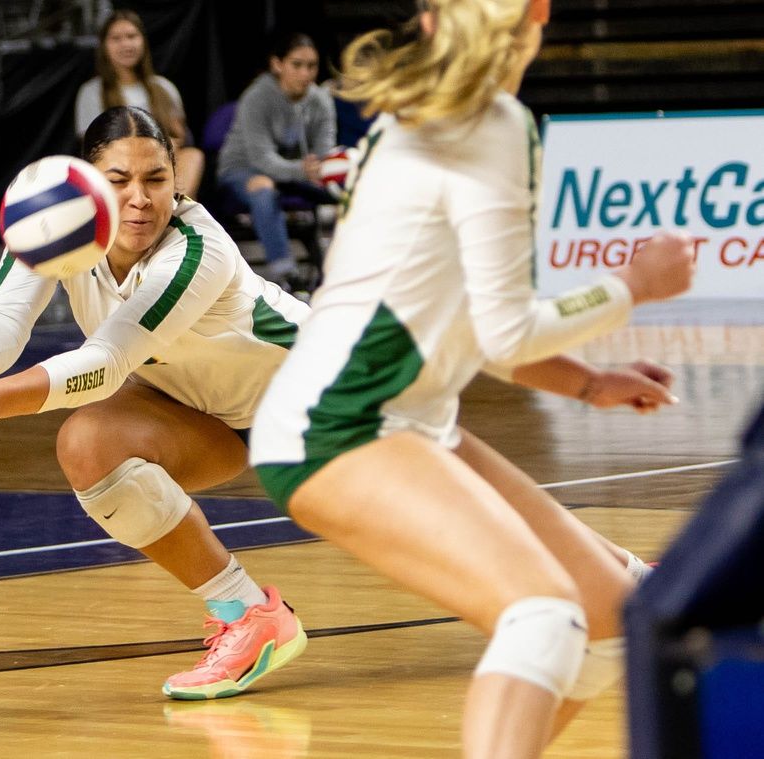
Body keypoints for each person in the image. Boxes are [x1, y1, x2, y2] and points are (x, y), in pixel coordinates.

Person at [249, 1, 696, 756]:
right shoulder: (493, 123)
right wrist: (631, 284)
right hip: (337, 423)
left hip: (399, 417)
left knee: (609, 610)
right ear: (535, 20)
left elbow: (466, 324)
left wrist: (588, 381)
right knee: (542, 613)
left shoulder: (414, 118)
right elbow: (506, 328)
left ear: (428, 24)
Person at [0, 105, 310, 701]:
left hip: (316, 394)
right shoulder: (58, 222)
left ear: (178, 180)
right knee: (90, 445)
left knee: (428, 529)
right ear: (91, 182)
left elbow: (106, 363)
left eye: (156, 180)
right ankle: (250, 616)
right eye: (119, 181)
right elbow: (3, 317)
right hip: (209, 415)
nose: (140, 199)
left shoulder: (198, 248)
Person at [216, 32, 337, 291]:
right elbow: (261, 159)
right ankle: (287, 275)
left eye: (311, 66)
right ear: (277, 64)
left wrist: (326, 171)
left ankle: (343, 270)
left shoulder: (321, 101)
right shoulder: (257, 96)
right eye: (297, 65)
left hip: (296, 172)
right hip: (244, 169)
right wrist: (304, 170)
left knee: (349, 189)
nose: (305, 73)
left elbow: (324, 152)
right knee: (263, 187)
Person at [75, 10, 205, 199]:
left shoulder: (164, 88)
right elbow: (92, 149)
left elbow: (180, 138)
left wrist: (166, 147)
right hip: (118, 167)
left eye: (131, 36)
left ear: (142, 41)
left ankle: (173, 214)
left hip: (161, 164)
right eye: (117, 38)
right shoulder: (91, 92)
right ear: (104, 46)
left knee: (193, 156)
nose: (126, 44)